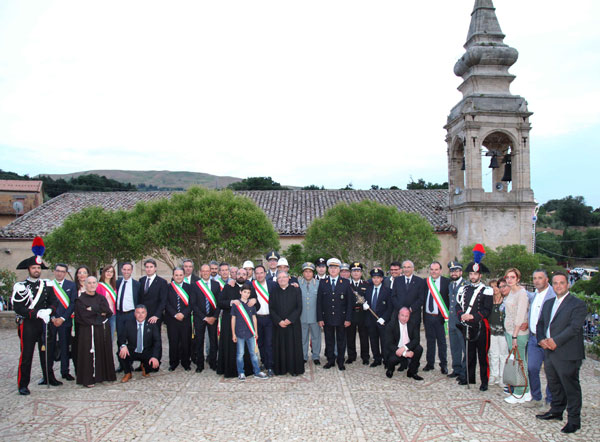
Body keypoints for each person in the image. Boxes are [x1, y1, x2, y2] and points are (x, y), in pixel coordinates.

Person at [535, 272, 587, 434]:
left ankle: (574, 420)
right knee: (554, 383)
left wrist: (555, 341)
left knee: (570, 386)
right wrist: (542, 339)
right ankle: (556, 411)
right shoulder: (549, 302)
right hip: (549, 351)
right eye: (555, 283)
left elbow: (574, 328)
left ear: (568, 284)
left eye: (562, 283)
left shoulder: (577, 304)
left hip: (567, 352)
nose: (558, 286)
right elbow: (541, 323)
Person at [12, 238, 60, 395]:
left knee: (46, 352)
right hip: (28, 325)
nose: (36, 270)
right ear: (28, 269)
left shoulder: (47, 285)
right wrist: (36, 313)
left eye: (38, 268)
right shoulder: (21, 286)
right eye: (33, 268)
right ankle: (23, 384)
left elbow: (54, 302)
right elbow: (18, 307)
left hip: (44, 323)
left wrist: (49, 311)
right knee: (26, 355)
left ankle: (49, 377)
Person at [456, 244, 493, 391]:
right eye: (471, 274)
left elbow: (487, 309)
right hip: (467, 326)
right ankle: (470, 379)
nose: (473, 276)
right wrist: (462, 315)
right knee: (470, 355)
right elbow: (458, 306)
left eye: (475, 274)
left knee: (482, 356)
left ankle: (484, 382)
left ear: (480, 275)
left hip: (481, 327)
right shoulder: (463, 289)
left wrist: (473, 316)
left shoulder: (487, 290)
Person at [217, 268, 261, 378]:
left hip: (246, 326)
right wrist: (231, 302)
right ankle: (232, 370)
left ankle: (247, 370)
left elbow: (257, 306)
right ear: (235, 275)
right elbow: (220, 302)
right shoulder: (229, 286)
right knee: (232, 348)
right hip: (230, 323)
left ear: (247, 276)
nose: (241, 276)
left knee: (246, 350)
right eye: (239, 274)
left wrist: (255, 301)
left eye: (244, 274)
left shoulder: (249, 288)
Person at [74, 276, 116, 388]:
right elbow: (82, 316)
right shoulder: (80, 300)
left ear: (97, 284)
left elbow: (107, 312)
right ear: (85, 285)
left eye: (94, 283)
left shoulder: (101, 298)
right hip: (87, 330)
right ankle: (88, 378)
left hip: (100, 329)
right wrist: (98, 312)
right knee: (88, 353)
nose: (92, 285)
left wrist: (92, 309)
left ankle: (101, 376)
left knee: (101, 351)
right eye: (89, 283)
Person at [526, 269, 556, 408]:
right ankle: (536, 397)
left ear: (546, 279)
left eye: (540, 278)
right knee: (532, 368)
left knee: (550, 370)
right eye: (534, 278)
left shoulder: (553, 295)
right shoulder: (534, 295)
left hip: (548, 340)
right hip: (533, 338)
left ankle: (550, 400)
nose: (537, 281)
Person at [317, 258, 354, 370]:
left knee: (341, 340)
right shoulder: (323, 283)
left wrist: (348, 318)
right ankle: (330, 360)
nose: (333, 270)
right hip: (327, 317)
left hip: (341, 318)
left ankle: (341, 361)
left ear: (339, 270)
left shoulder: (346, 283)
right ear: (328, 270)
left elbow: (349, 303)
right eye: (331, 268)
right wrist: (320, 318)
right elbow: (319, 302)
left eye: (335, 268)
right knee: (329, 340)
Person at [503, 267, 531, 404]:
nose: (509, 280)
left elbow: (520, 316)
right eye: (507, 277)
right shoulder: (511, 292)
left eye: (512, 277)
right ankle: (526, 391)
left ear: (518, 279)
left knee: (520, 362)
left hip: (518, 333)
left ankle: (519, 392)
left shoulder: (521, 293)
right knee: (517, 361)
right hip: (509, 331)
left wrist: (514, 335)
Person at [271, 272, 304, 376]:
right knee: (280, 346)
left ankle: (294, 369)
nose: (282, 279)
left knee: (293, 346)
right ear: (277, 280)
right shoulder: (274, 291)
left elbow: (299, 307)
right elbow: (271, 308)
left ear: (288, 278)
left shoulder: (296, 290)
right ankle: (281, 369)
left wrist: (290, 319)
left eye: (284, 277)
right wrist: (279, 321)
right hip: (279, 325)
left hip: (293, 324)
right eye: (279, 278)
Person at [231, 284, 267, 380]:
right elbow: (233, 319)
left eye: (248, 293)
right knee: (240, 354)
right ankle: (241, 372)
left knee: (254, 353)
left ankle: (257, 371)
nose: (246, 294)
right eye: (244, 292)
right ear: (240, 292)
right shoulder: (236, 304)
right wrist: (233, 333)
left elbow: (254, 318)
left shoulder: (251, 304)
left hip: (250, 333)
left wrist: (256, 332)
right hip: (239, 333)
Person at [117, 304, 161, 383]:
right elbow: (121, 338)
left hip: (146, 351)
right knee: (121, 353)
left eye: (142, 313)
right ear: (134, 314)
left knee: (154, 367)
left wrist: (155, 357)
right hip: (133, 350)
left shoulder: (152, 325)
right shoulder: (128, 323)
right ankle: (128, 373)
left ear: (146, 313)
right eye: (138, 313)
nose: (140, 315)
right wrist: (123, 346)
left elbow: (157, 342)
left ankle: (144, 366)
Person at [48, 263, 77, 382]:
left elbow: (72, 303)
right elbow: (45, 303)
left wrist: (63, 318)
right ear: (54, 272)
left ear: (65, 273)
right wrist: (53, 317)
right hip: (52, 321)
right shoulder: (48, 285)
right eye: (58, 271)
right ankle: (48, 374)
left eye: (62, 271)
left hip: (65, 321)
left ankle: (65, 371)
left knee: (65, 347)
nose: (60, 273)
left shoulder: (71, 285)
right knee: (50, 348)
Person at [138, 259, 167, 367]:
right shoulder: (141, 281)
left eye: (151, 267)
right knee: (143, 339)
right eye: (147, 267)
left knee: (155, 339)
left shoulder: (162, 282)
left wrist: (157, 315)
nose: (149, 269)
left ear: (155, 268)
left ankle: (156, 362)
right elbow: (139, 299)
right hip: (142, 316)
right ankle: (143, 362)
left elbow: (163, 301)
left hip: (155, 316)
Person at [422, 261, 450, 374]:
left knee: (442, 342)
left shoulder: (446, 282)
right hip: (428, 316)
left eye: (436, 269)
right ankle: (430, 363)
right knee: (430, 341)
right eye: (432, 269)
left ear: (440, 270)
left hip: (440, 317)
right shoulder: (425, 282)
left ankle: (443, 365)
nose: (434, 272)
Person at [192, 264, 220, 372]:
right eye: (203, 271)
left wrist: (214, 316)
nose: (205, 273)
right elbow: (193, 304)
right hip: (200, 318)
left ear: (210, 272)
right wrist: (204, 317)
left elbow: (219, 303)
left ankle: (213, 362)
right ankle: (200, 364)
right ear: (200, 272)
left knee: (213, 341)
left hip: (213, 318)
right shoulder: (195, 285)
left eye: (207, 271)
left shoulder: (216, 285)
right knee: (199, 341)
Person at [165, 268, 194, 371]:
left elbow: (192, 303)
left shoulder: (189, 287)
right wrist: (174, 314)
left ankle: (186, 362)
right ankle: (173, 362)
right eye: (176, 275)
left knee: (186, 341)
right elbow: (166, 303)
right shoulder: (168, 287)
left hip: (185, 319)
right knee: (173, 341)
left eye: (180, 275)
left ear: (184, 276)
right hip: (172, 319)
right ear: (173, 276)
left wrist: (183, 314)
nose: (178, 277)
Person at [363, 268, 392, 367]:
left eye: (378, 278)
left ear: (382, 279)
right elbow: (365, 303)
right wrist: (364, 307)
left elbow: (390, 307)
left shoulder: (388, 291)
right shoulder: (368, 290)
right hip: (370, 320)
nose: (376, 280)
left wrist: (384, 318)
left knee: (384, 341)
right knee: (373, 341)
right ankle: (377, 359)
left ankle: (386, 359)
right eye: (374, 278)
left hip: (382, 321)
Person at [385, 308, 424, 381]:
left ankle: (412, 372)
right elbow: (389, 344)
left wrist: (405, 348)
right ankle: (390, 369)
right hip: (396, 349)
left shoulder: (413, 323)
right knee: (392, 360)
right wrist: (404, 353)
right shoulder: (391, 325)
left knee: (419, 349)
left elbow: (416, 340)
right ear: (398, 315)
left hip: (408, 347)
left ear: (409, 316)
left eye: (407, 316)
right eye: (402, 315)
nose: (404, 318)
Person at [115, 262, 140, 373]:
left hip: (131, 314)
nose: (126, 271)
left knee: (132, 339)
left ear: (131, 270)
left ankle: (130, 362)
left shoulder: (137, 284)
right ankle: (122, 364)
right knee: (120, 339)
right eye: (124, 269)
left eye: (128, 269)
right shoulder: (117, 283)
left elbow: (140, 300)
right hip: (119, 314)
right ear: (121, 270)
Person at [447, 261, 468, 385]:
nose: (454, 273)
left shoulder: (466, 285)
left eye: (456, 271)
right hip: (452, 321)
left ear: (461, 272)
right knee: (454, 347)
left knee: (464, 347)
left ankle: (464, 372)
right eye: (452, 271)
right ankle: (456, 368)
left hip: (462, 322)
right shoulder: (451, 285)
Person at [252, 265, 275, 376]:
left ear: (265, 273)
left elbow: (284, 287)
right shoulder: (251, 286)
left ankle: (270, 366)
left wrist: (294, 284)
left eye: (261, 273)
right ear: (254, 274)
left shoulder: (272, 285)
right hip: (257, 319)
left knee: (269, 343)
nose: (259, 275)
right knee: (260, 343)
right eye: (257, 273)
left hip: (269, 318)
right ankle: (264, 362)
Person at [346, 262, 370, 365]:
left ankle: (365, 356)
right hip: (351, 314)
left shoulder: (366, 285)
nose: (356, 273)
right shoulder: (347, 285)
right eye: (354, 271)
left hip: (362, 314)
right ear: (351, 273)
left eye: (358, 271)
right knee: (350, 336)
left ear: (361, 273)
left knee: (364, 336)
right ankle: (351, 356)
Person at [299, 262, 321, 365]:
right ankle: (303, 356)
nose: (308, 274)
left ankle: (316, 356)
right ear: (303, 273)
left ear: (313, 273)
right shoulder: (298, 283)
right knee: (303, 338)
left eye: (310, 272)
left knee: (316, 337)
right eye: (306, 271)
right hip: (302, 316)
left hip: (315, 316)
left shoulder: (318, 284)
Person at [391, 260, 425, 327]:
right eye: (405, 267)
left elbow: (421, 298)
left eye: (408, 267)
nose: (406, 269)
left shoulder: (420, 281)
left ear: (413, 268)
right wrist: (401, 309)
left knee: (414, 337)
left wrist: (410, 309)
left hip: (414, 315)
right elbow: (393, 296)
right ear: (402, 269)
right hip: (399, 314)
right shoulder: (397, 280)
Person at [488, 279, 508, 388]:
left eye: (496, 286)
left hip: (503, 331)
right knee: (493, 353)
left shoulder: (505, 300)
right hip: (492, 330)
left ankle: (502, 377)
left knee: (503, 354)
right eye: (492, 287)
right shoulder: (490, 300)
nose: (494, 289)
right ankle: (494, 374)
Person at [97, 265, 118, 342]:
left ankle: (109, 354)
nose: (109, 273)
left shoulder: (114, 286)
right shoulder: (99, 285)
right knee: (103, 337)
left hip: (113, 315)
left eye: (111, 272)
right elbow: (96, 301)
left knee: (111, 337)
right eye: (107, 271)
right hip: (103, 315)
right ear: (104, 272)